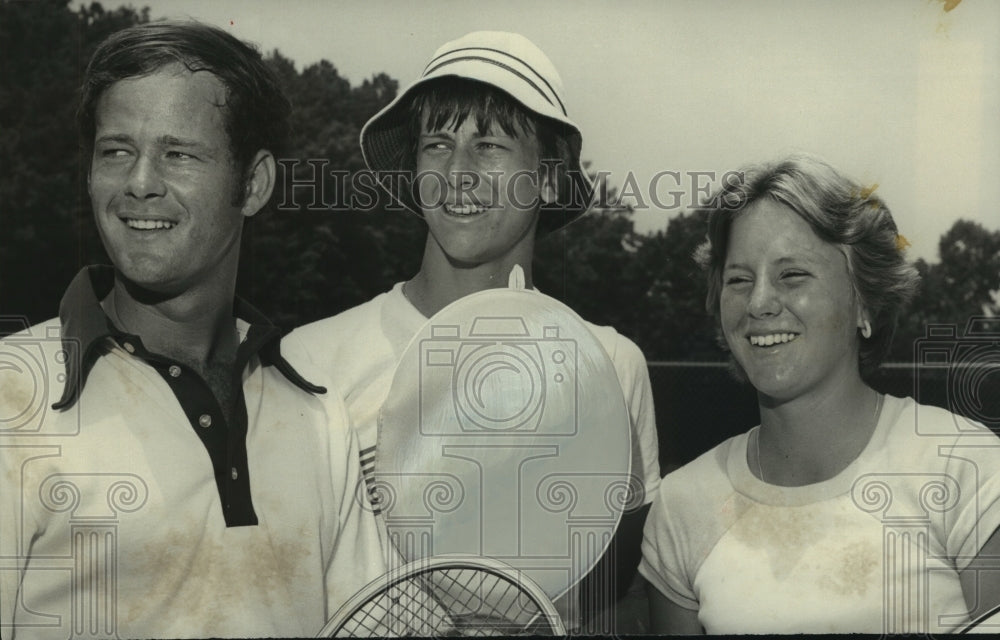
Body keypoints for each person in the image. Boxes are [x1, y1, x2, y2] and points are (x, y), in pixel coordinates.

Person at [0, 21, 385, 638]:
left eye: (178, 153)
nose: (140, 181)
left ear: (253, 184)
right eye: (116, 151)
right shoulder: (10, 396)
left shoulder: (318, 415)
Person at [283, 30, 661, 632]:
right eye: (437, 144)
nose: (457, 172)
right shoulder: (307, 358)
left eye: (488, 145)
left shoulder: (612, 363)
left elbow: (617, 596)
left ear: (549, 178)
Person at [639, 154, 1000, 634]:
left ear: (864, 301)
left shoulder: (965, 466)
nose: (760, 303)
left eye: (792, 275)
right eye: (738, 279)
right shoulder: (682, 505)